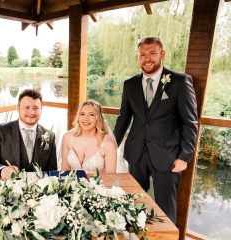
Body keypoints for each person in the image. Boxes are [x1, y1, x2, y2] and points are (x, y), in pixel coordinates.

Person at [113, 36, 198, 223]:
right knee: (134, 204)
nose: (147, 58)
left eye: (152, 53)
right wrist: (111, 146)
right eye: (142, 54)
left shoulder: (180, 81)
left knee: (166, 209)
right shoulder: (130, 84)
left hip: (168, 156)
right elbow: (123, 118)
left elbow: (190, 122)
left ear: (162, 54)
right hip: (136, 154)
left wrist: (184, 157)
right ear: (138, 57)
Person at [0, 89, 57, 180]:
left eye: (35, 108)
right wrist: (2, 170)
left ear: (41, 109)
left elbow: (52, 170)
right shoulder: (2, 131)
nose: (31, 112)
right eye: (27, 107)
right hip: (8, 189)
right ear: (18, 108)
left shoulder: (50, 136)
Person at [61, 100, 117, 174]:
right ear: (78, 116)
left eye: (91, 115)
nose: (86, 119)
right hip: (72, 185)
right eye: (82, 114)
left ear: (98, 118)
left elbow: (110, 178)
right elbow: (65, 170)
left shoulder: (108, 144)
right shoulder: (67, 138)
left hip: (99, 185)